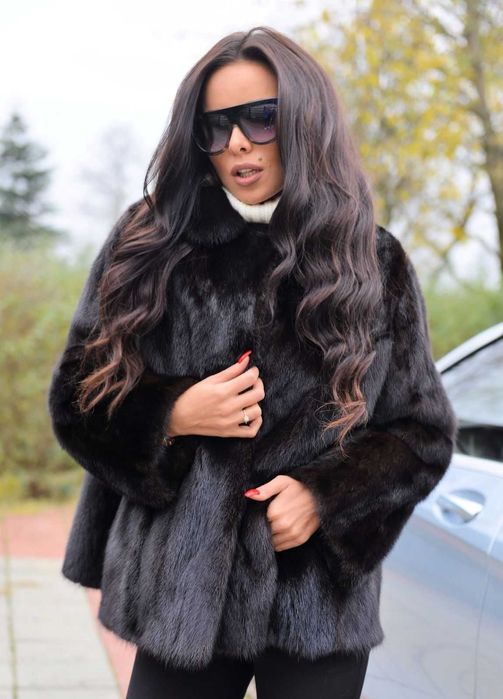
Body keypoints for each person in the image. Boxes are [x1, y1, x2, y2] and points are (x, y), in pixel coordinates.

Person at [47, 25, 458, 699]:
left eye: (260, 118)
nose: (237, 142)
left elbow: (421, 433)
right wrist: (171, 414)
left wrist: (326, 498)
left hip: (313, 602)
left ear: (304, 120)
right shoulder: (150, 243)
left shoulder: (371, 262)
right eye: (215, 127)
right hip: (181, 599)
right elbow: (76, 399)